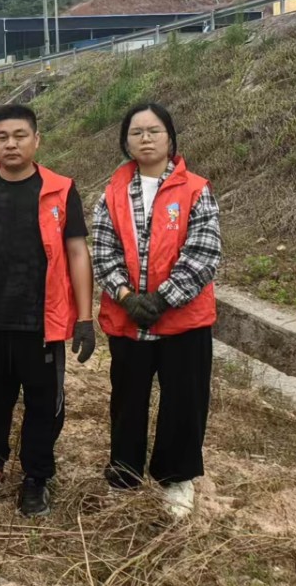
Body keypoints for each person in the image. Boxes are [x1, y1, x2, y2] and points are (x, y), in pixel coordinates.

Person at [0, 104, 95, 518]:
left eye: (20, 135)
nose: (11, 143)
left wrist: (85, 317)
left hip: (41, 323)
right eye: (2, 136)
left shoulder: (59, 190)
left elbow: (77, 251)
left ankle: (36, 477)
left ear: (36, 140)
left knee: (45, 405)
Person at [91, 102, 222, 520]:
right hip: (129, 321)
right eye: (136, 132)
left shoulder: (196, 189)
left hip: (183, 321)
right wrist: (128, 297)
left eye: (154, 131)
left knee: (184, 399)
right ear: (125, 141)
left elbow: (204, 252)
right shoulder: (111, 193)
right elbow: (102, 250)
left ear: (170, 138)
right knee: (128, 399)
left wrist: (164, 299)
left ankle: (177, 477)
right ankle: (124, 473)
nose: (145, 139)